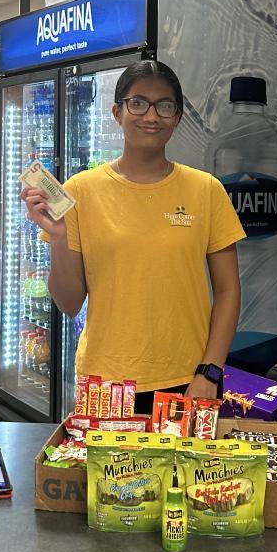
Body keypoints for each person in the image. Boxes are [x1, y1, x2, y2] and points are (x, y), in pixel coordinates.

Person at [22, 59, 245, 404]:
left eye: (164, 106)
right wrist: (60, 237)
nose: (151, 116)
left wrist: (210, 371)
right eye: (138, 103)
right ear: (117, 112)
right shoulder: (80, 191)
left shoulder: (206, 190)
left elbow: (229, 291)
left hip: (188, 381)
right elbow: (69, 303)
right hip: (105, 384)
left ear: (177, 116)